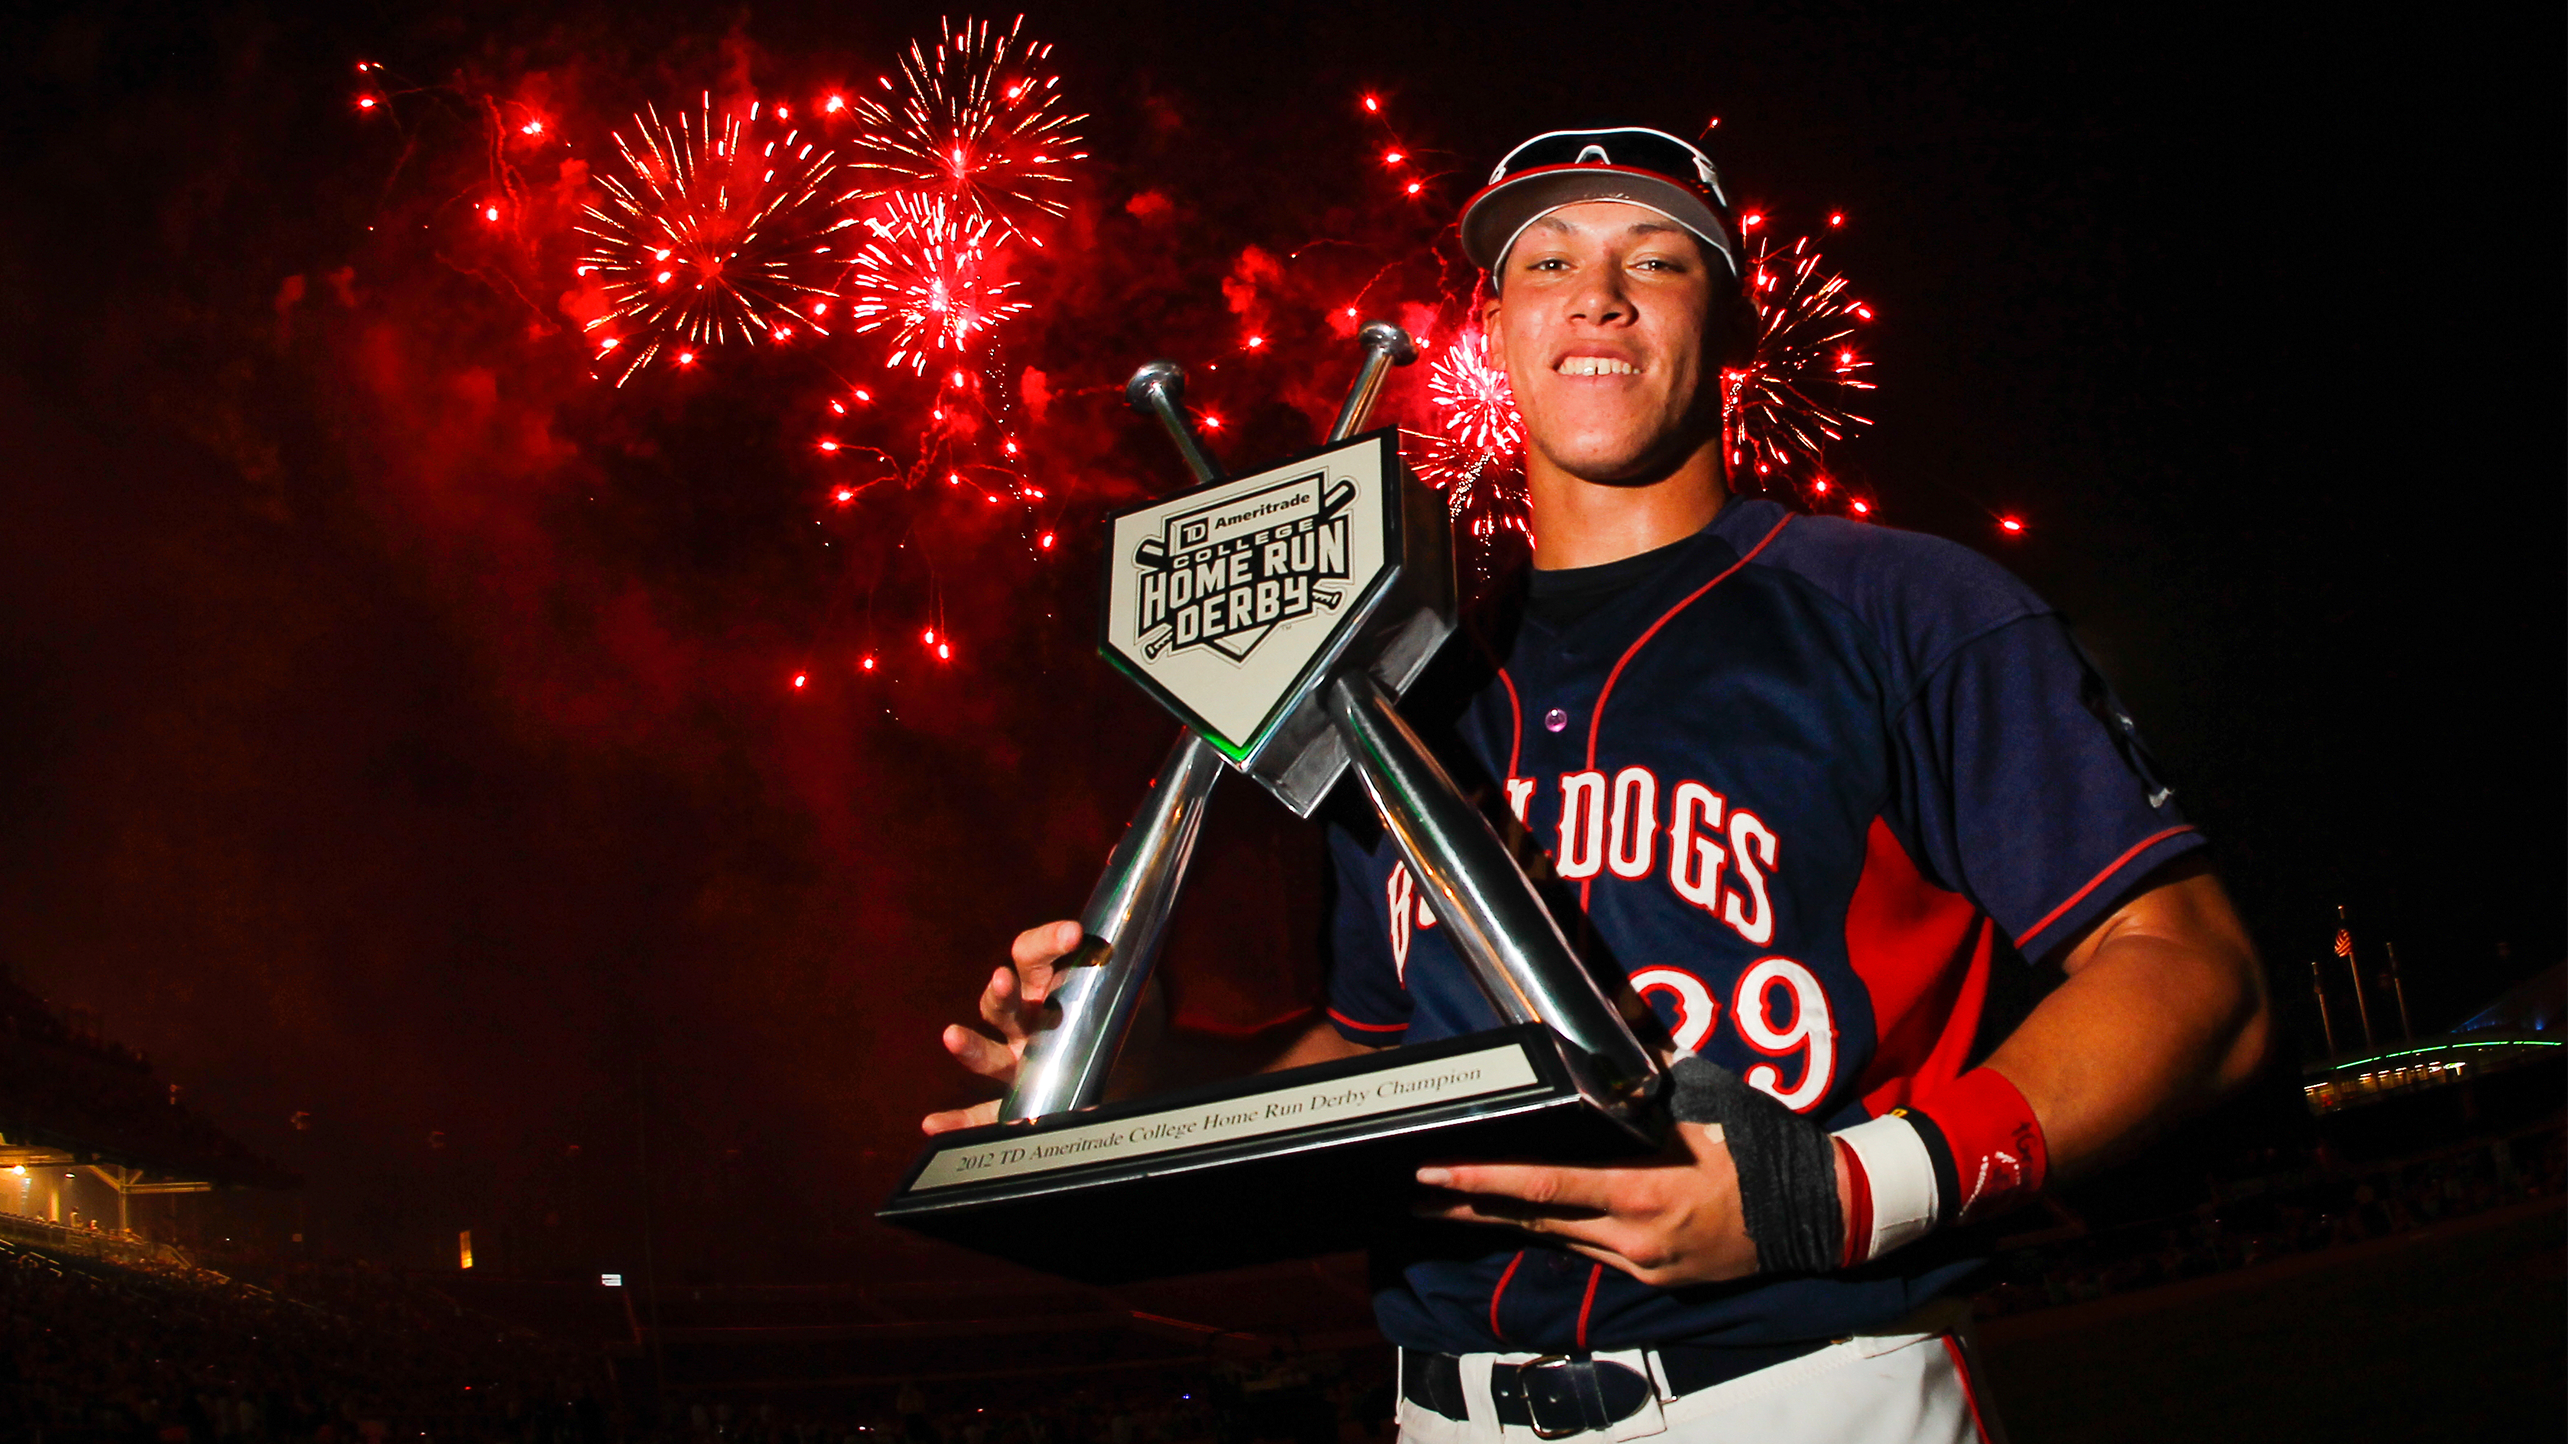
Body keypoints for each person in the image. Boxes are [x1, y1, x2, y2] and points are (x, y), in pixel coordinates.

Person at [927, 126, 2270, 1443]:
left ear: (1734, 324)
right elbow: (1384, 1057)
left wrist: (1845, 1191)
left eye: (1656, 259)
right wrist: (1145, 1063)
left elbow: (2197, 979)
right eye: (1545, 262)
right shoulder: (1393, 679)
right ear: (1497, 330)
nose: (1597, 296)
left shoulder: (1907, 606)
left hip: (1801, 1386)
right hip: (1441, 1405)